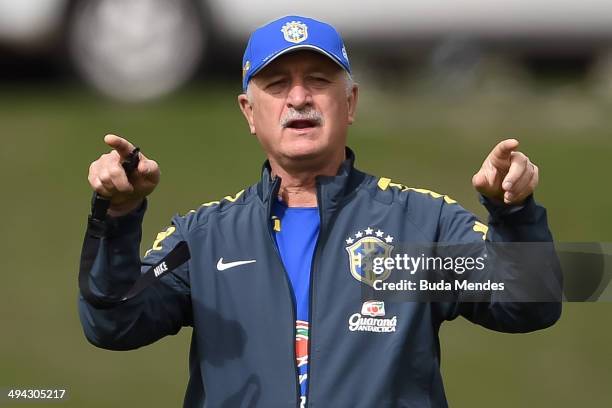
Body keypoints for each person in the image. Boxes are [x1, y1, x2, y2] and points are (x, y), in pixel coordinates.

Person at [79, 15, 562, 408]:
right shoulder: (206, 238)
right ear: (249, 112)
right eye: (276, 84)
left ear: (349, 103)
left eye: (318, 80)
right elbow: (113, 324)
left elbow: (528, 305)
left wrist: (513, 213)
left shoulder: (416, 225)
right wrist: (119, 216)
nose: (299, 97)